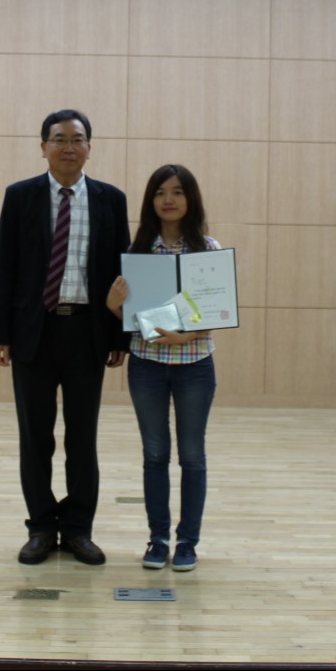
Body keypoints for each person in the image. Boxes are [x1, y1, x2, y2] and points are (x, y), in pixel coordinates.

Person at [0, 109, 131, 566]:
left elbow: (121, 272)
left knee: (82, 438)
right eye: (59, 138)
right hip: (34, 331)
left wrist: (120, 336)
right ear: (43, 146)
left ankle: (78, 529)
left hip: (87, 331)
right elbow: (4, 266)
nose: (69, 147)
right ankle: (42, 528)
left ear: (90, 147)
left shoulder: (111, 200)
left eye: (77, 139)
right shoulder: (20, 196)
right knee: (36, 437)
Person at [106, 164, 219, 572]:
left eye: (176, 192)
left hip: (195, 366)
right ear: (150, 201)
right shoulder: (137, 251)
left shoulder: (207, 248)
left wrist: (186, 336)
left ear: (190, 198)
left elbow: (216, 309)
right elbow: (130, 314)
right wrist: (114, 307)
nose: (167, 200)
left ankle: (187, 543)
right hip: (147, 366)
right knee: (154, 454)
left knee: (192, 456)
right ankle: (158, 540)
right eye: (159, 193)